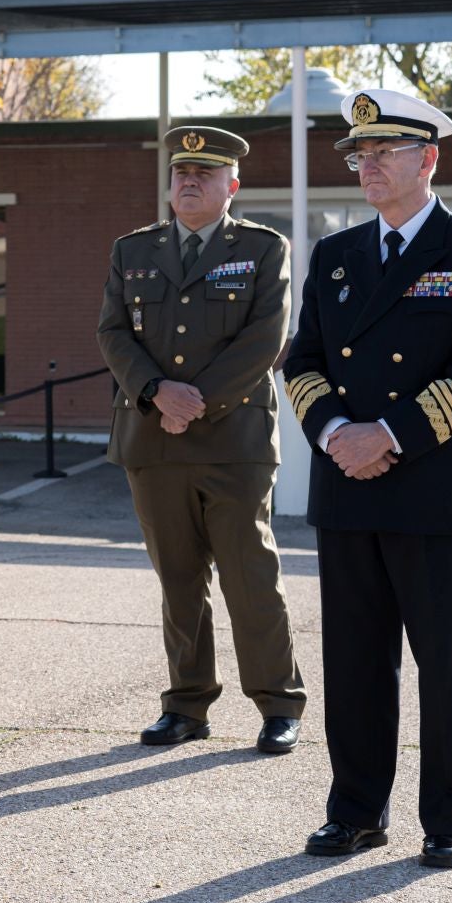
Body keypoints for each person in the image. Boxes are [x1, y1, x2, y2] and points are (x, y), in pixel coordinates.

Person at [285, 88, 452, 868]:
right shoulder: (335, 255)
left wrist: (383, 436)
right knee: (353, 662)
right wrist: (332, 435)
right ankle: (355, 810)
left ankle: (448, 817)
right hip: (346, 485)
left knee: (444, 664)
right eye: (360, 154)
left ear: (429, 158)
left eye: (384, 152)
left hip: (429, 491)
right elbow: (305, 360)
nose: (367, 166)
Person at [96, 126, 306, 755]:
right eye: (181, 173)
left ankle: (277, 702)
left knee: (250, 576)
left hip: (233, 441)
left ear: (230, 187)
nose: (189, 182)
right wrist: (158, 391)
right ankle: (187, 705)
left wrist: (196, 401)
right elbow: (112, 333)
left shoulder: (264, 249)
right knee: (179, 580)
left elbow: (264, 338)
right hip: (152, 438)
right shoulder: (133, 249)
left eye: (204, 175)